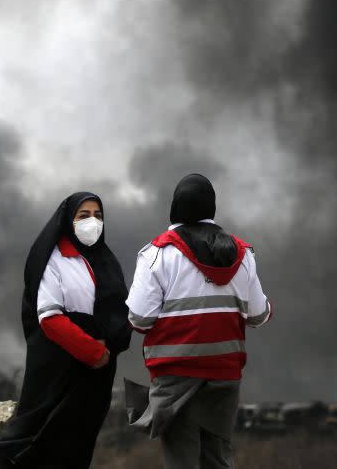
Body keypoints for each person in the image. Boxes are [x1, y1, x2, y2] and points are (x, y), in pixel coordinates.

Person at [125, 174, 272, 469]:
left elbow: (139, 318)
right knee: (218, 460)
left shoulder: (157, 254)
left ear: (175, 207)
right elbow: (259, 314)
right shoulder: (243, 255)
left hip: (175, 380)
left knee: (183, 461)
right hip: (224, 378)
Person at [0, 192, 131, 469]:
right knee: (32, 439)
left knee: (76, 444)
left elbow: (119, 312)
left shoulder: (105, 262)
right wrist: (93, 350)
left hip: (96, 375)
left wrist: (113, 342)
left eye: (98, 216)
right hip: (59, 369)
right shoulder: (54, 259)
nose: (92, 222)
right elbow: (49, 318)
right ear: (68, 220)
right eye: (83, 216)